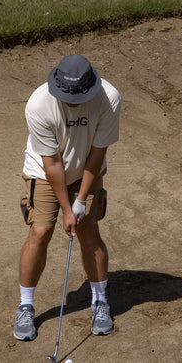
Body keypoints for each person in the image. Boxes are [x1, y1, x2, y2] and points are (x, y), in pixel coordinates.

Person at [13, 53, 121, 341]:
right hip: (44, 172)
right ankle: (25, 305)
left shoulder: (109, 98)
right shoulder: (38, 105)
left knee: (89, 231)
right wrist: (67, 208)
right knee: (41, 231)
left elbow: (98, 153)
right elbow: (53, 163)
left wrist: (81, 200)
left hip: (88, 167)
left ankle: (99, 302)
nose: (71, 101)